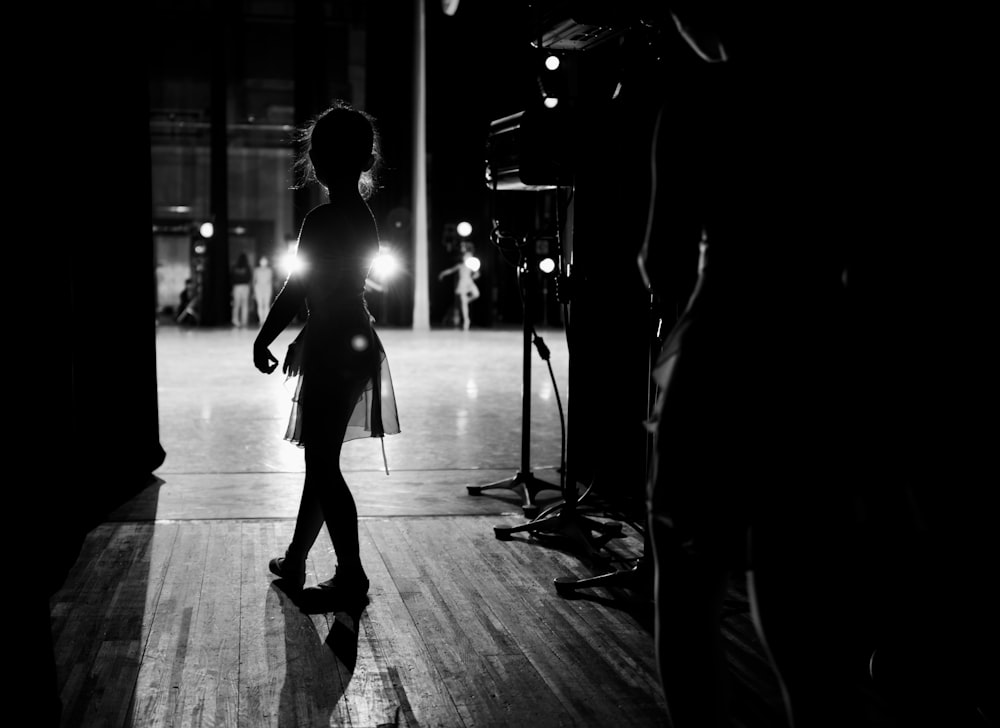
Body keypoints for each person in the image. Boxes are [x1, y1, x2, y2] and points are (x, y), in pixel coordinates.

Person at [253, 100, 400, 612]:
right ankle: (296, 559)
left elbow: (301, 288)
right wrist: (303, 335)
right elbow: (335, 290)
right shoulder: (361, 217)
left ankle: (351, 576)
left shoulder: (323, 218)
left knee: (322, 467)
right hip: (351, 339)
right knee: (322, 463)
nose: (313, 157)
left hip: (336, 344)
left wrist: (267, 337)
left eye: (318, 149)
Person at [438, 250, 480, 330]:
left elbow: (477, 274)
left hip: (469, 282)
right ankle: (466, 321)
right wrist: (443, 273)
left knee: (476, 294)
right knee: (464, 305)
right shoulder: (460, 266)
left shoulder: (471, 266)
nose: (468, 258)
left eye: (469, 256)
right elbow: (450, 270)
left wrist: (475, 276)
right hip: (462, 284)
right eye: (466, 256)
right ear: (464, 258)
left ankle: (467, 300)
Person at [231, 252, 252, 327]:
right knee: (244, 304)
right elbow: (249, 277)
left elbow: (231, 277)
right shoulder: (247, 267)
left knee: (236, 304)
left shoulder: (234, 267)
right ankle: (244, 321)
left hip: (237, 287)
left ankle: (235, 320)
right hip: (245, 286)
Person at [253, 255, 274, 324]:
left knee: (266, 304)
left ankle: (266, 319)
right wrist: (254, 291)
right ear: (260, 262)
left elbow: (270, 280)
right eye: (262, 261)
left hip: (267, 288)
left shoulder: (269, 270)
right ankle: (261, 319)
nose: (263, 262)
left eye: (264, 261)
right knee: (260, 304)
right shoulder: (256, 270)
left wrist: (270, 289)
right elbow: (254, 280)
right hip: (258, 288)